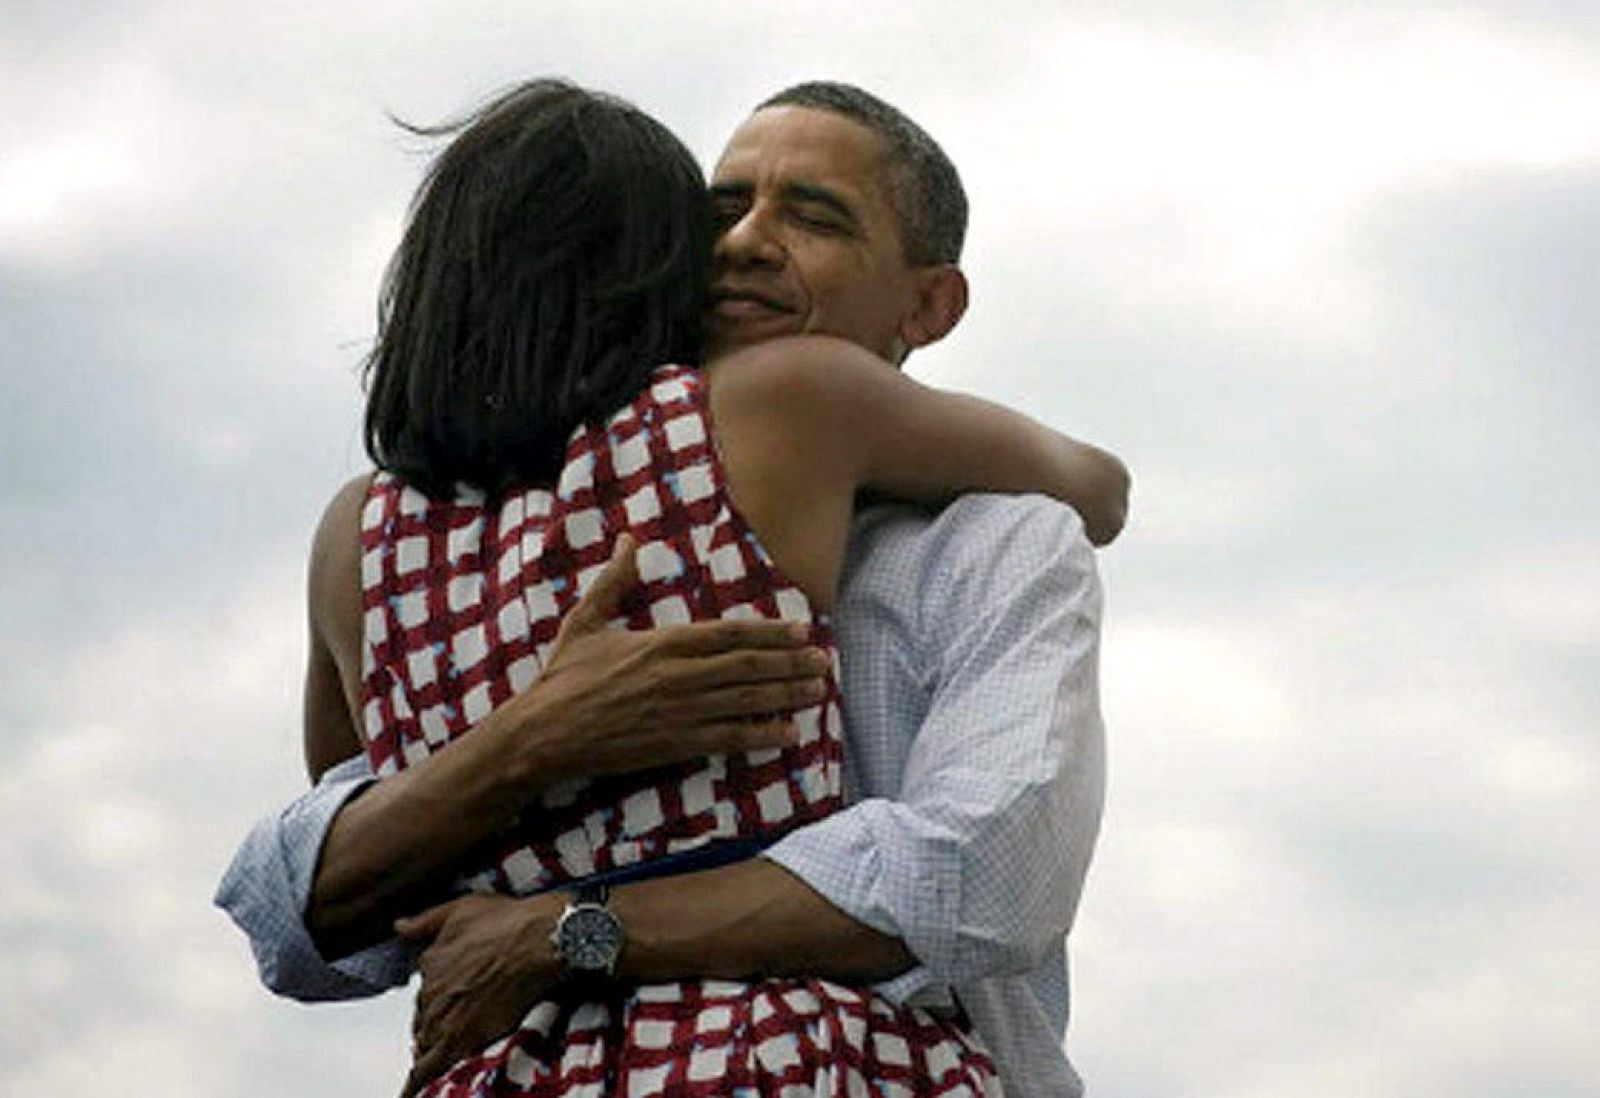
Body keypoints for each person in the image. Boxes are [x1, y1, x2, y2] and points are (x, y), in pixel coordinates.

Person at [219, 79, 1117, 1097]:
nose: (742, 244)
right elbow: (316, 891)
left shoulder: (996, 548)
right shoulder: (725, 444)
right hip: (788, 1060)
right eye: (719, 211)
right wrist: (534, 736)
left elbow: (977, 881)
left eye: (814, 217)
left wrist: (566, 930)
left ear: (929, 303)